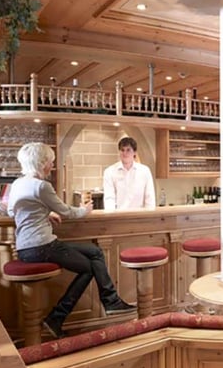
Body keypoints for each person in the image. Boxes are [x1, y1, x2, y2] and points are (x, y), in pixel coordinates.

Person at [8, 143, 135, 339]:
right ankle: (57, 317)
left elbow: (12, 211)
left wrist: (45, 213)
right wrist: (85, 210)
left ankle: (111, 302)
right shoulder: (42, 186)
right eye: (50, 162)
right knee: (88, 268)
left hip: (26, 248)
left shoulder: (18, 183)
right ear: (41, 163)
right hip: (43, 246)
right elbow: (66, 211)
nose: (52, 166)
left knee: (95, 252)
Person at [103, 137, 155, 210]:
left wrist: (150, 215)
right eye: (122, 150)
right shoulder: (109, 172)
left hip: (140, 214)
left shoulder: (145, 171)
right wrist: (111, 215)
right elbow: (109, 198)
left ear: (134, 152)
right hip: (119, 215)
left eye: (128, 150)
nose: (125, 153)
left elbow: (149, 198)